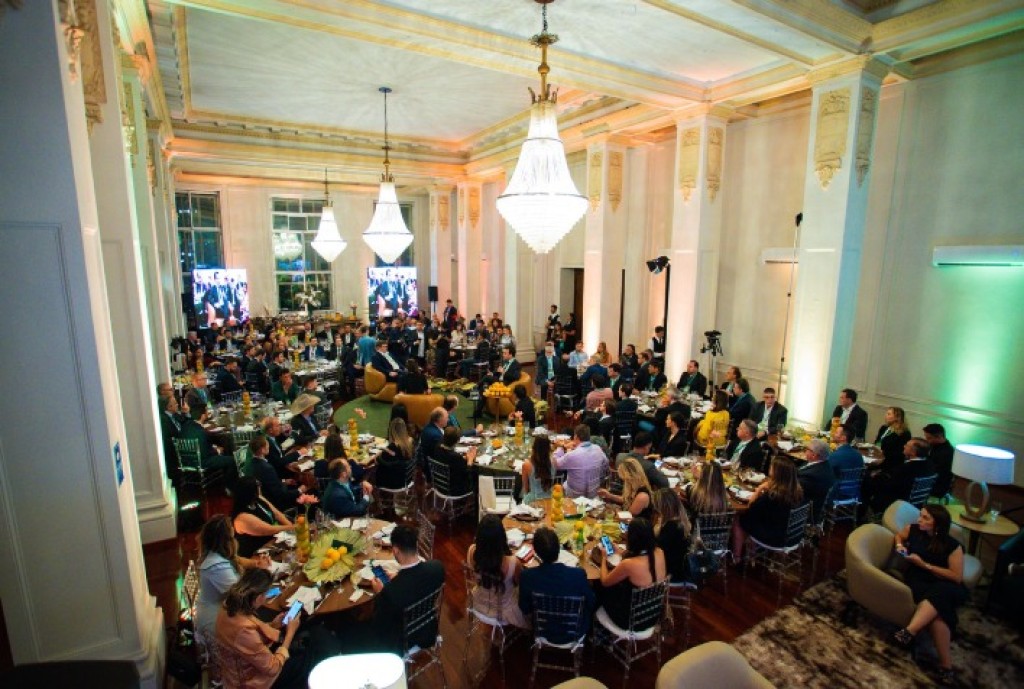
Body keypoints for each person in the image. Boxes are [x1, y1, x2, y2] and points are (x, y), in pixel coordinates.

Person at [891, 505, 969, 684]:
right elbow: (899, 537)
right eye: (921, 515)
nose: (920, 520)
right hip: (918, 580)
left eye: (926, 518)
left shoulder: (953, 546)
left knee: (941, 594)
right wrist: (899, 546)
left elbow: (956, 577)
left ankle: (909, 631)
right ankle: (946, 667)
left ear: (938, 524)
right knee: (939, 613)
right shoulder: (913, 530)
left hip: (945, 583)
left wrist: (925, 565)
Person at [214, 568, 305, 689]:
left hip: (235, 667)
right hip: (248, 682)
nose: (266, 598)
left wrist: (273, 625)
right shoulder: (244, 631)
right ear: (257, 598)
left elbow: (247, 638)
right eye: (266, 594)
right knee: (305, 661)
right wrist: (290, 633)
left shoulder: (228, 606)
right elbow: (273, 668)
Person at [362, 525, 446, 654]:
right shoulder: (437, 568)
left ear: (395, 550)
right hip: (428, 627)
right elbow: (415, 583)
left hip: (402, 639)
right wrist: (398, 576)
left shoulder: (390, 592)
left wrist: (380, 593)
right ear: (416, 544)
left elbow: (380, 623)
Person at [195, 514, 271, 644]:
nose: (234, 540)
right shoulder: (216, 566)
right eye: (232, 537)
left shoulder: (216, 554)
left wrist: (256, 563)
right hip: (216, 622)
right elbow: (242, 595)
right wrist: (262, 572)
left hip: (226, 610)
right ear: (224, 541)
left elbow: (237, 559)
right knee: (267, 610)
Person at [518, 526, 595, 634]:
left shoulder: (527, 576)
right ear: (559, 548)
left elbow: (525, 608)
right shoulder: (578, 575)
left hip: (542, 630)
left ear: (535, 551)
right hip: (575, 632)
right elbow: (591, 603)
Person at [597, 518, 667, 631]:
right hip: (652, 614)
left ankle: (599, 632)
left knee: (597, 587)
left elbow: (605, 581)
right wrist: (620, 552)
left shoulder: (628, 564)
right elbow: (642, 557)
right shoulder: (660, 552)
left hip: (629, 620)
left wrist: (604, 558)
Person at [732, 456, 806, 559]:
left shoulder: (772, 495)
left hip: (774, 537)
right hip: (792, 535)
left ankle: (737, 557)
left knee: (738, 519)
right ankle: (752, 550)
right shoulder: (797, 492)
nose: (769, 468)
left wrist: (759, 489)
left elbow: (750, 507)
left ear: (777, 473)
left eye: (772, 467)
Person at [467, 514, 529, 629]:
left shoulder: (471, 550)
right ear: (502, 537)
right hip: (502, 610)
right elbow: (520, 583)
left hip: (479, 601)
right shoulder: (512, 562)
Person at [864, 437, 937, 514]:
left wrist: (874, 476)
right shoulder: (930, 465)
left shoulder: (906, 469)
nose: (904, 446)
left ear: (913, 452)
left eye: (907, 445)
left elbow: (889, 486)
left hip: (897, 502)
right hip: (917, 502)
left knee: (866, 482)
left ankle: (863, 512)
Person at [231, 477, 294, 557]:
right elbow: (269, 530)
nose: (260, 486)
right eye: (258, 485)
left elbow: (277, 514)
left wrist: (291, 528)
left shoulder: (258, 498)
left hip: (273, 541)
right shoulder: (242, 518)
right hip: (257, 553)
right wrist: (293, 527)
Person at [248, 435, 302, 512]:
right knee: (308, 491)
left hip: (267, 498)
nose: (269, 446)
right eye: (267, 445)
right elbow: (281, 495)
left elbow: (269, 484)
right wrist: (300, 490)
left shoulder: (252, 464)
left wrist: (284, 481)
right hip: (276, 504)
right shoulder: (267, 468)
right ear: (262, 450)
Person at [553, 425, 609, 498]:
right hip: (595, 492)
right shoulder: (598, 449)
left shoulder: (572, 455)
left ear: (575, 437)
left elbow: (555, 464)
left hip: (575, 495)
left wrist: (561, 448)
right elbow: (606, 464)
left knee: (563, 484)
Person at [651, 488, 693, 585]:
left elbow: (656, 549)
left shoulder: (671, 527)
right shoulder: (681, 521)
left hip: (671, 573)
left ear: (663, 508)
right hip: (679, 568)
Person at [798, 439, 836, 524]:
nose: (804, 451)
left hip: (803, 510)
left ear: (814, 455)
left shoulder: (813, 475)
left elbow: (793, 489)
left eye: (807, 449)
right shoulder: (823, 464)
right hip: (808, 500)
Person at [435, 426, 477, 496]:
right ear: (457, 441)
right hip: (455, 489)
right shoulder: (455, 457)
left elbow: (451, 462)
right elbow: (467, 473)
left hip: (440, 484)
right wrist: (470, 459)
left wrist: (464, 458)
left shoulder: (438, 448)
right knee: (477, 472)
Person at [377, 417, 414, 490]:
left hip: (394, 483)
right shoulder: (410, 442)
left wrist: (379, 455)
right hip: (406, 478)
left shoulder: (393, 447)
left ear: (392, 430)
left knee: (370, 472)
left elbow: (379, 461)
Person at [874, 406, 913, 473]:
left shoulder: (904, 433)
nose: (886, 415)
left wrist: (883, 453)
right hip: (877, 456)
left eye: (889, 414)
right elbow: (877, 441)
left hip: (890, 462)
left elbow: (900, 453)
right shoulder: (884, 427)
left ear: (897, 417)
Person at [923, 423, 955, 498]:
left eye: (929, 438)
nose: (927, 440)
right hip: (932, 479)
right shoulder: (936, 446)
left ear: (939, 436)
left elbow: (936, 471)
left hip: (937, 485)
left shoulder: (946, 452)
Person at [522, 435, 556, 503]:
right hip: (549, 499)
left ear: (534, 448)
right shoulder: (554, 461)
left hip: (534, 500)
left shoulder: (527, 464)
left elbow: (526, 488)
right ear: (549, 448)